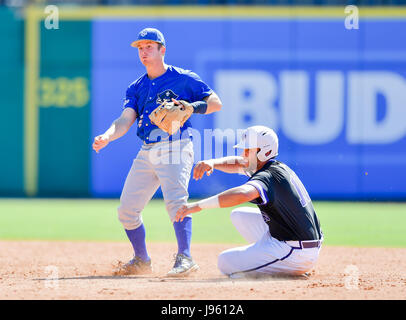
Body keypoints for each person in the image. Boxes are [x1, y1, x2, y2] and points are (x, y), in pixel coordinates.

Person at [92, 28, 222, 277]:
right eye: (140, 48)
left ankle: (185, 258)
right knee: (127, 211)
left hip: (176, 145)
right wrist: (108, 136)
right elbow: (125, 120)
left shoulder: (183, 78)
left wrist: (191, 107)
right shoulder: (136, 87)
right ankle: (141, 260)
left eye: (149, 46)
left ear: (163, 50)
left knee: (176, 202)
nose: (144, 51)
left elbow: (216, 102)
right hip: (147, 149)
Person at [175, 125, 323, 278]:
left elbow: (243, 193)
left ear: (264, 151)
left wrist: (198, 206)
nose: (243, 154)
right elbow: (239, 163)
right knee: (239, 215)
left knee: (225, 262)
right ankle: (275, 261)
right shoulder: (274, 168)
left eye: (248, 150)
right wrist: (213, 163)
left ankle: (287, 269)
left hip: (296, 251)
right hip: (301, 242)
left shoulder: (267, 176)